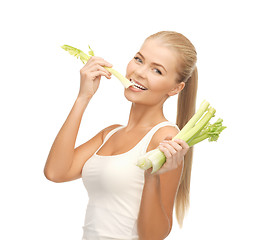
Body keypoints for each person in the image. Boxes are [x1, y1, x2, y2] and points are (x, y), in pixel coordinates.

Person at [44, 30, 198, 240]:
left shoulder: (166, 138)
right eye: (138, 59)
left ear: (175, 88)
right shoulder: (110, 134)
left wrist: (152, 177)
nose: (140, 72)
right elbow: (55, 172)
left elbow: (153, 235)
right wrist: (83, 97)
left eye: (157, 71)